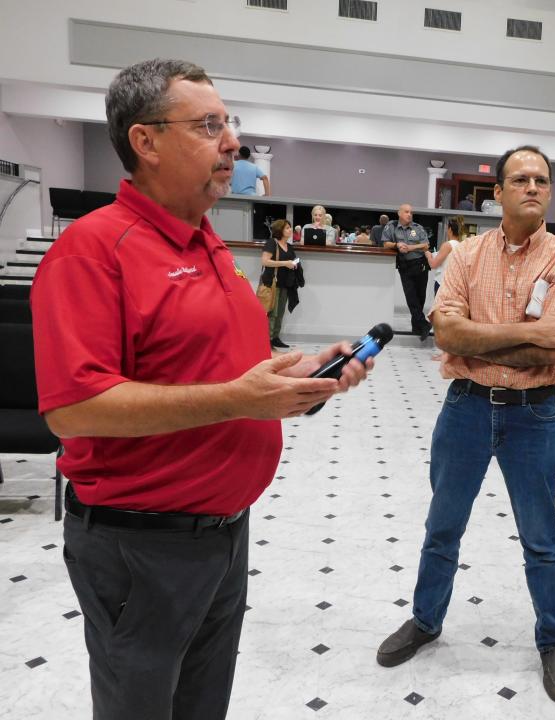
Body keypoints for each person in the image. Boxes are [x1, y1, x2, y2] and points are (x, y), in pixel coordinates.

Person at [29, 58, 371, 720]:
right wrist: (239, 399)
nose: (232, 141)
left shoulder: (208, 246)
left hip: (223, 536)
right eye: (208, 124)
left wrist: (301, 378)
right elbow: (72, 411)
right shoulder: (94, 251)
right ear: (145, 141)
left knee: (201, 706)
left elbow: (222, 372)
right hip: (141, 546)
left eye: (229, 122)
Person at [377, 146, 555, 703]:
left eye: (542, 179)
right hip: (466, 408)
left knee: (542, 538)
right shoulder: (467, 256)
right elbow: (446, 335)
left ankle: (553, 638)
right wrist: (524, 335)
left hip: (534, 414)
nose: (533, 187)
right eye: (520, 179)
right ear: (497, 193)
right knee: (443, 527)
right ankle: (425, 621)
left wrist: (484, 337)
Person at [382, 203, 432, 340]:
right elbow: (385, 244)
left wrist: (410, 247)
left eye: (411, 212)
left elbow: (426, 245)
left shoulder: (418, 228)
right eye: (406, 212)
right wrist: (397, 245)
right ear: (399, 213)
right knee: (411, 298)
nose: (409, 214)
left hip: (421, 265)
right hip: (405, 266)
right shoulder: (391, 227)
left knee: (420, 298)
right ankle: (424, 325)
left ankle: (417, 328)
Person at [261, 218, 302, 349]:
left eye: (290, 227)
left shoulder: (289, 246)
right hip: (272, 283)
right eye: (287, 228)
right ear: (280, 230)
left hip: (285, 284)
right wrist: (285, 263)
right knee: (272, 313)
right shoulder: (272, 243)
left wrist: (294, 265)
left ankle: (275, 338)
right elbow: (265, 261)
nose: (290, 230)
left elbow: (292, 261)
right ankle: (266, 340)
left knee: (280, 313)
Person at [426, 218, 463, 296]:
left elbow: (433, 264)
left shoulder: (447, 245)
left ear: (449, 229)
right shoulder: (461, 245)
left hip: (443, 283)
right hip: (454, 284)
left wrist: (428, 255)